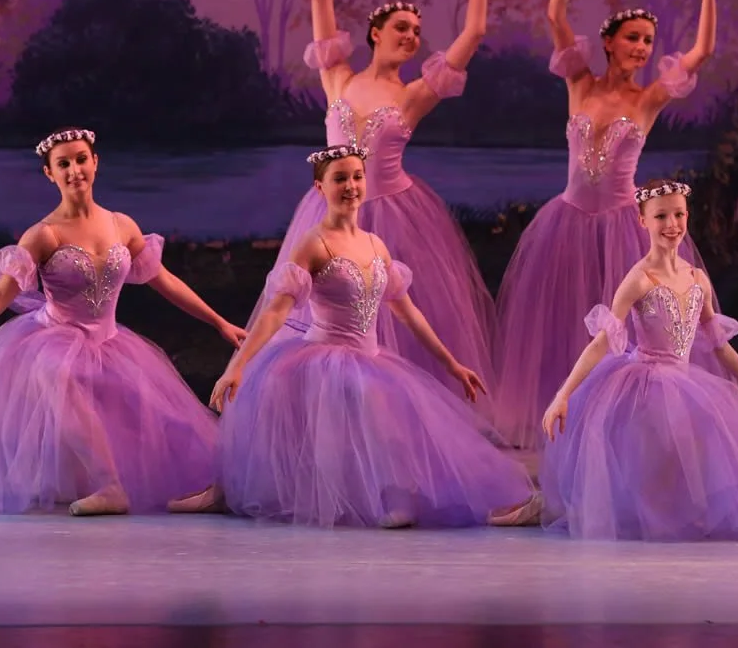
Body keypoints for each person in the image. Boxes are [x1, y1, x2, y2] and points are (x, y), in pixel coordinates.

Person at [0, 128, 245, 516]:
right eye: (64, 164)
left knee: (156, 409)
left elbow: (164, 280)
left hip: (109, 340)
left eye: (81, 159)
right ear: (49, 173)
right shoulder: (44, 234)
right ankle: (109, 487)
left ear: (95, 162)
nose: (75, 170)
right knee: (56, 374)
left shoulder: (121, 225)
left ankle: (215, 483)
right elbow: (0, 295)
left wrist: (219, 322)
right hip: (54, 336)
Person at [169, 145, 534, 529]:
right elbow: (276, 311)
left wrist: (452, 363)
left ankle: (392, 495)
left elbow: (407, 311)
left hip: (370, 356)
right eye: (340, 178)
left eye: (357, 177)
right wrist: (238, 366)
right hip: (323, 356)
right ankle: (356, 499)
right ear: (320, 187)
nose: (351, 186)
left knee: (392, 416)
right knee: (362, 410)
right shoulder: (314, 243)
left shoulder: (375, 244)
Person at [495, 180, 738, 541]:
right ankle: (554, 506)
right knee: (644, 460)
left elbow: (720, 347)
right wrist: (563, 395)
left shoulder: (697, 279)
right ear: (643, 221)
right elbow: (601, 342)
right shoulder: (639, 278)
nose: (671, 224)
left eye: (678, 214)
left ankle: (660, 512)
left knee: (700, 456)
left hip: (683, 380)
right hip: (643, 383)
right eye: (661, 216)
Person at [246, 0, 498, 416]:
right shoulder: (336, 76)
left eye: (417, 32)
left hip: (393, 215)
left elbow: (473, 33)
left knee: (394, 323)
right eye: (401, 28)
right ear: (375, 32)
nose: (411, 37)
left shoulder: (414, 95)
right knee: (314, 316)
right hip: (329, 213)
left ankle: (397, 419)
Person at [491, 0, 721, 447]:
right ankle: (565, 422)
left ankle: (622, 431)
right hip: (567, 221)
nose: (641, 48)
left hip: (621, 224)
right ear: (609, 42)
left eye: (648, 41)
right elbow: (554, 16)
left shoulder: (648, 98)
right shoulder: (579, 82)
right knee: (566, 326)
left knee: (626, 332)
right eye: (633, 38)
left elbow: (703, 50)